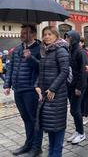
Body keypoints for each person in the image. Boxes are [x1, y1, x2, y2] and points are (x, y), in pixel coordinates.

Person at [3, 25, 43, 157]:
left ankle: (37, 147)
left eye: (25, 33)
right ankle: (28, 144)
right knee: (25, 119)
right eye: (21, 33)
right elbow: (11, 67)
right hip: (18, 89)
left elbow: (42, 69)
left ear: (33, 34)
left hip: (31, 90)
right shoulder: (18, 48)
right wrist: (7, 84)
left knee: (34, 119)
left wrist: (31, 58)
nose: (22, 35)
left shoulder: (39, 48)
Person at [35, 26, 69, 157]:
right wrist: (37, 85)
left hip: (57, 95)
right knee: (50, 129)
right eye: (44, 34)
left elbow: (65, 71)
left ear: (56, 36)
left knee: (58, 128)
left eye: (49, 34)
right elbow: (41, 71)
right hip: (46, 95)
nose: (46, 37)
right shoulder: (46, 51)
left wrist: (53, 88)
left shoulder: (61, 50)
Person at [64, 30, 88, 145]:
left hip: (78, 87)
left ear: (74, 39)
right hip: (70, 85)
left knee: (75, 110)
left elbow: (83, 72)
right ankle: (77, 131)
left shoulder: (81, 52)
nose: (66, 40)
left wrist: (79, 87)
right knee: (73, 110)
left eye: (68, 38)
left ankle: (81, 133)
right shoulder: (70, 51)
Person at [79, 37, 88, 125]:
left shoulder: (87, 52)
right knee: (81, 98)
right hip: (81, 79)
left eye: (80, 42)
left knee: (85, 97)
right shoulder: (76, 51)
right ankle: (82, 114)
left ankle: (86, 116)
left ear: (83, 43)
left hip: (86, 78)